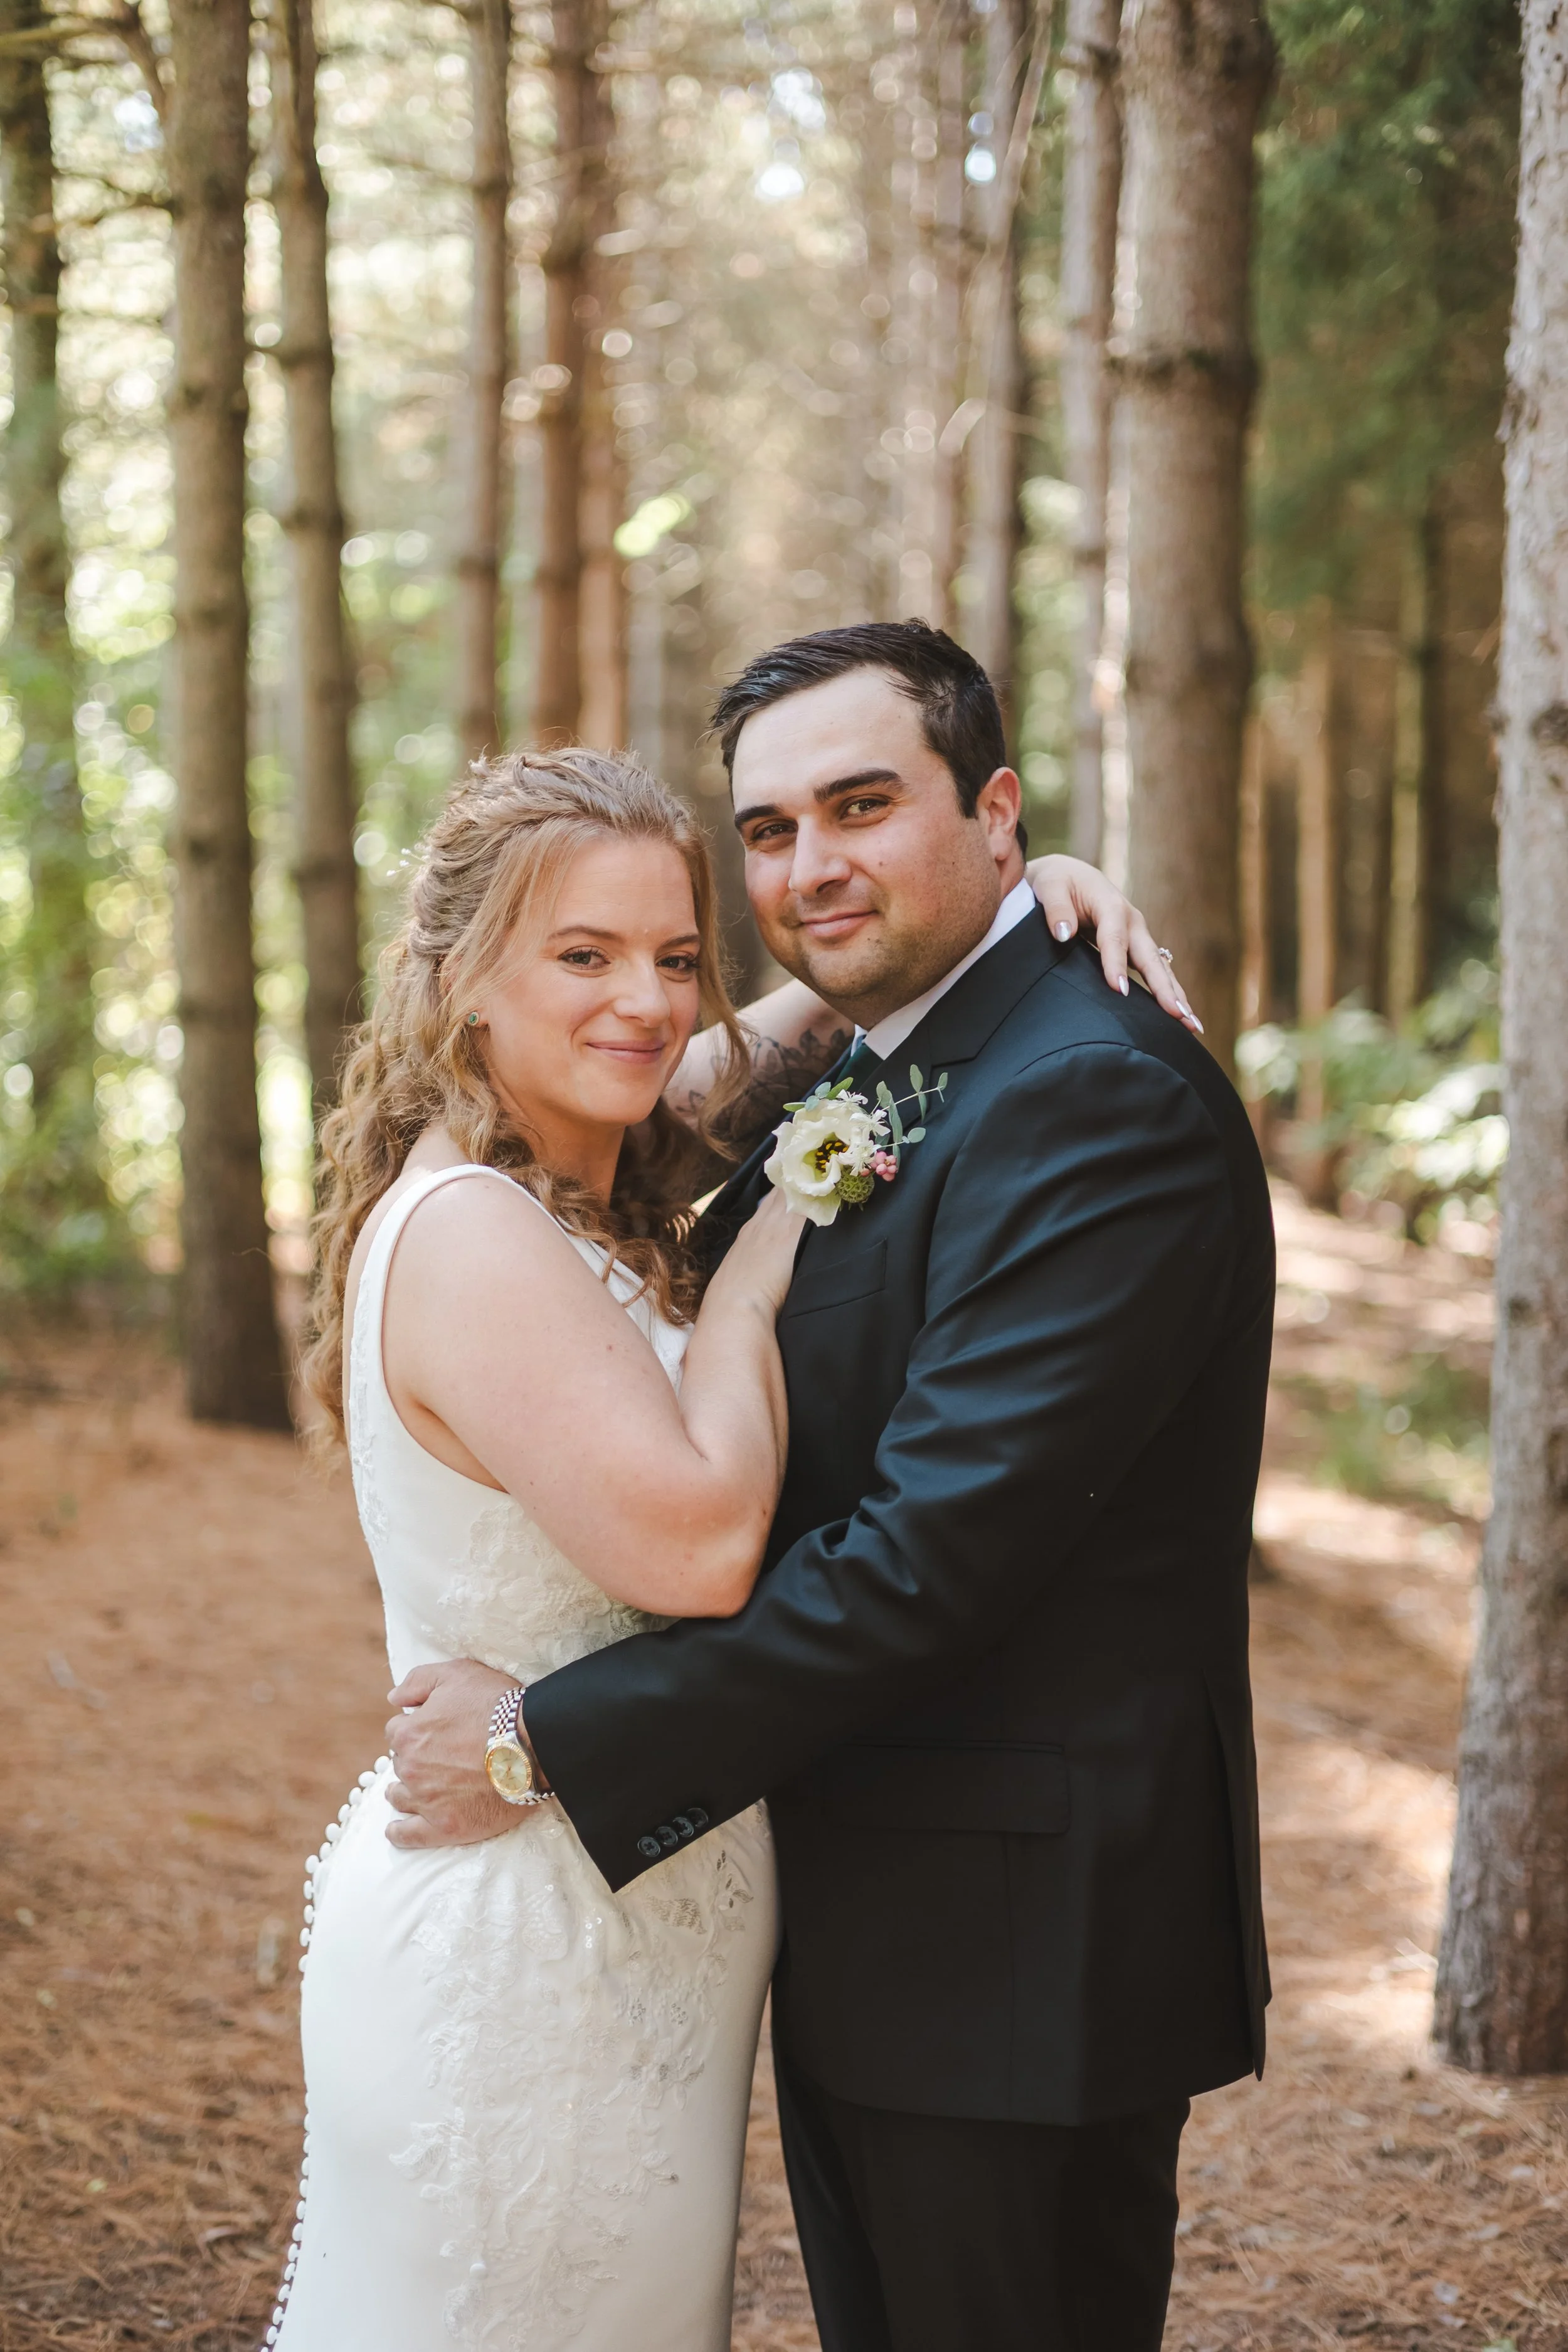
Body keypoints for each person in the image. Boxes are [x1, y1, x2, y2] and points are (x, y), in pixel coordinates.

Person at [387, 620, 1275, 2352]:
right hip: (889, 1927)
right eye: (773, 832)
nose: (810, 866)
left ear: (995, 809)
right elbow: (643, 1170)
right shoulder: (915, 1062)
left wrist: (543, 1739)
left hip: (1019, 1956)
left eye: (863, 805)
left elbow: (927, 1563)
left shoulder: (1090, 1094)